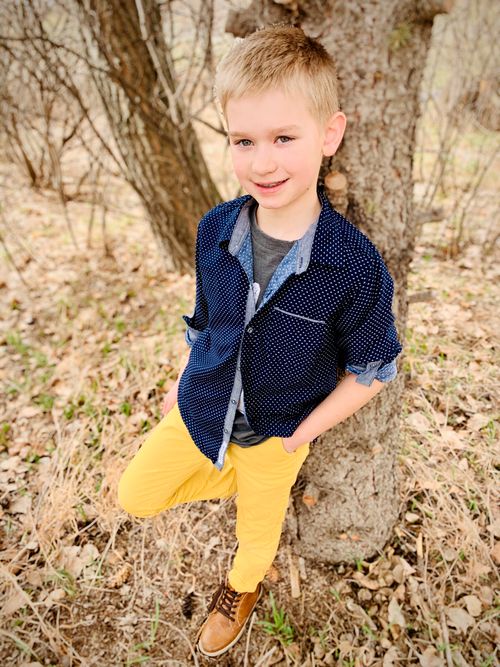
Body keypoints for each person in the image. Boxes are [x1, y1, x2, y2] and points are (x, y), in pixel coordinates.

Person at [117, 24, 403, 658]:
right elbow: (207, 317)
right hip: (203, 404)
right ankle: (233, 474)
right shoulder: (217, 226)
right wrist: (183, 377)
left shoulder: (353, 267)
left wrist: (300, 436)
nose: (263, 162)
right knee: (134, 496)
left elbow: (372, 369)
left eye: (283, 137)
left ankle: (241, 591)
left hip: (278, 433)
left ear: (330, 134)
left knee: (255, 544)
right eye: (244, 140)